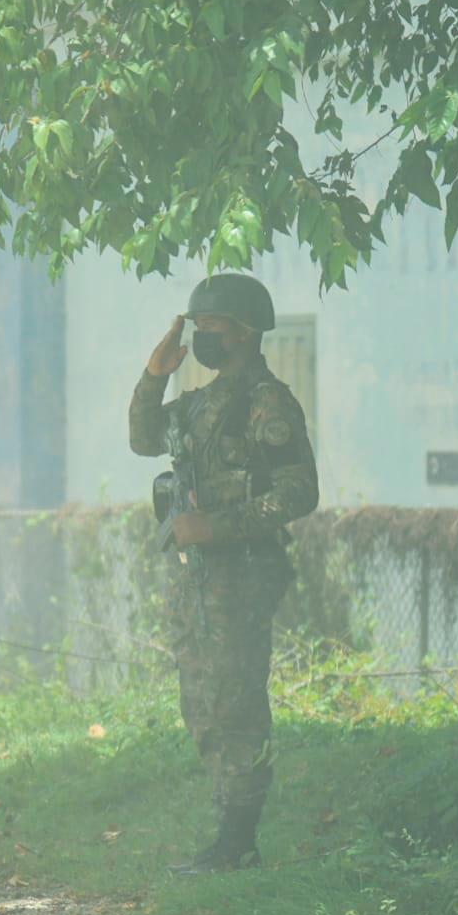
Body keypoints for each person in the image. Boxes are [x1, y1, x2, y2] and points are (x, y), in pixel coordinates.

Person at [129, 273, 319, 873]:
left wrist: (219, 526)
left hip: (244, 572)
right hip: (202, 578)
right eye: (198, 326)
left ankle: (240, 841)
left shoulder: (268, 404)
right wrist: (155, 374)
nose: (202, 336)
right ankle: (227, 829)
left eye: (210, 326)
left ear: (241, 332)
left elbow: (299, 493)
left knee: (237, 703)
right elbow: (142, 439)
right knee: (202, 701)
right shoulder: (203, 404)